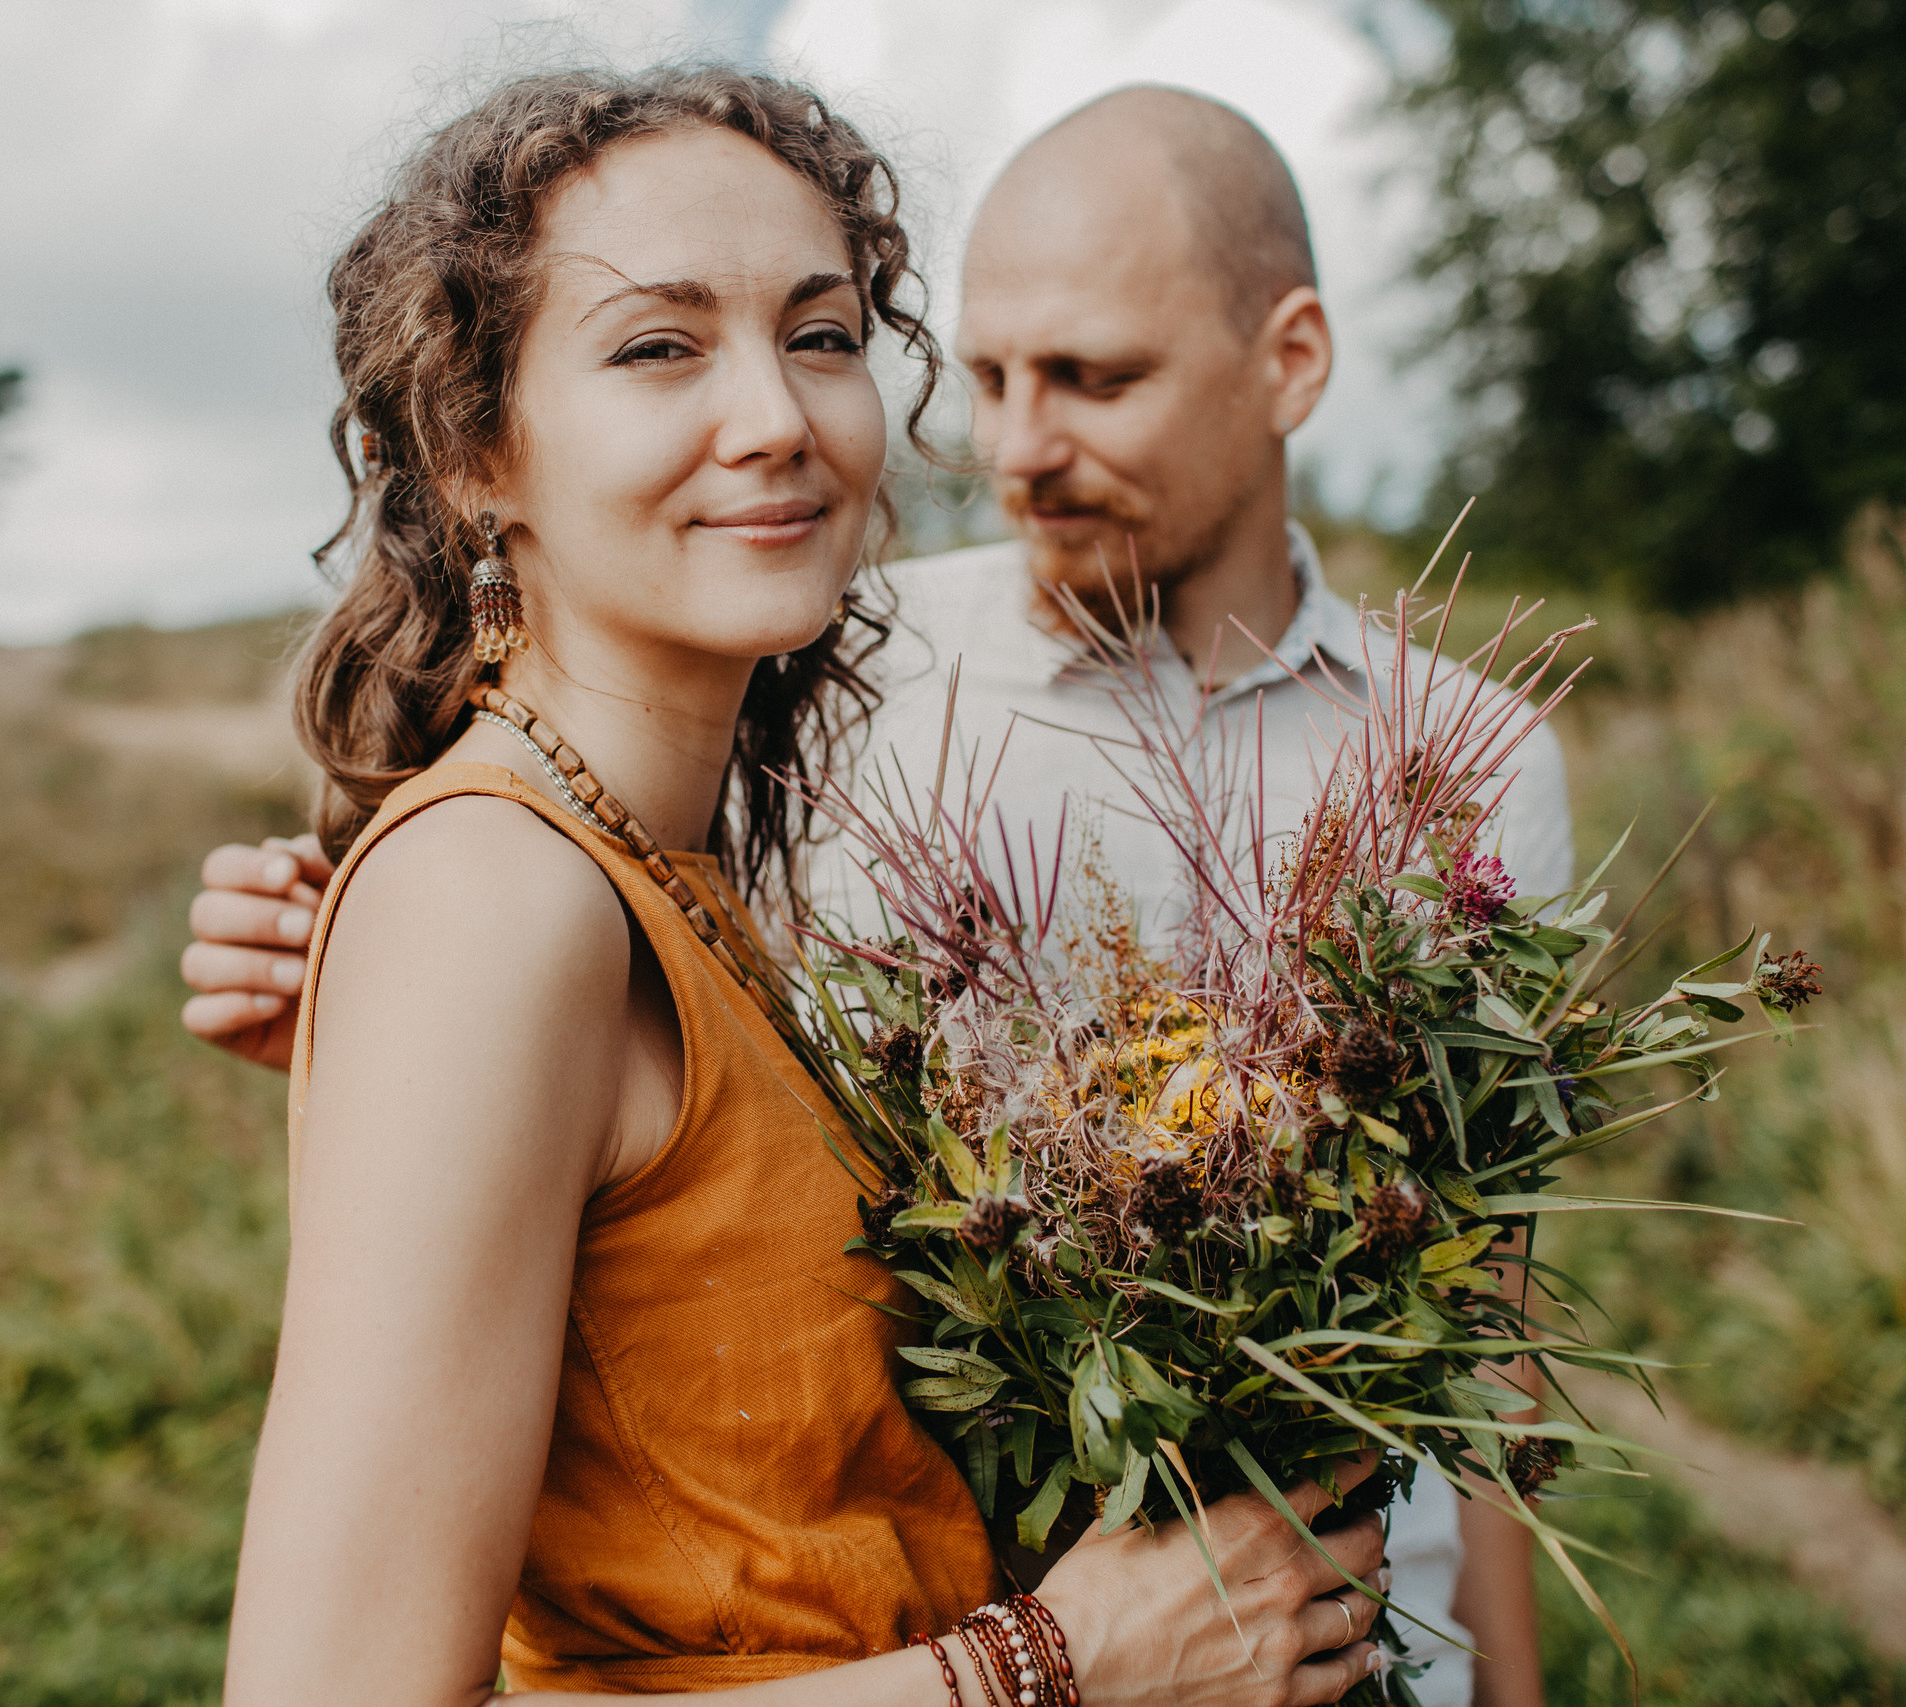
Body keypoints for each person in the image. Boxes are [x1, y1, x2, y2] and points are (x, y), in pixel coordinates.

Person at [198, 80, 1554, 1707]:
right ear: (476, 448)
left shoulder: (664, 867)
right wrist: (1062, 1667)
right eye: (659, 346)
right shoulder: (495, 895)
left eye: (823, 334)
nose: (777, 415)